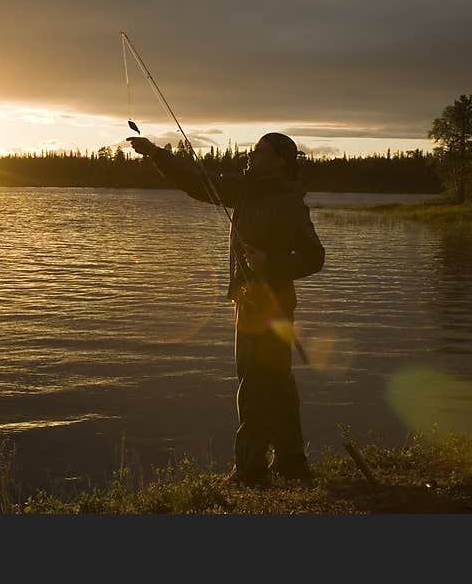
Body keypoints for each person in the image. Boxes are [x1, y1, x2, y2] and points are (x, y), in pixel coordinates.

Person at [127, 133, 325, 484]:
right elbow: (197, 182)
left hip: (272, 305)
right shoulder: (245, 189)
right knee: (275, 382)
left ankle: (251, 469)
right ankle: (292, 461)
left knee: (257, 383)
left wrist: (272, 263)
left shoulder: (289, 201)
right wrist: (157, 155)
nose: (253, 154)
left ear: (280, 160)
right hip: (248, 301)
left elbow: (314, 257)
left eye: (261, 150)